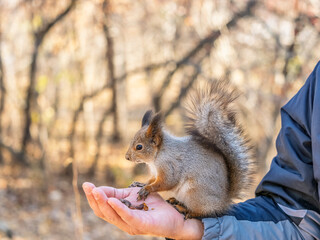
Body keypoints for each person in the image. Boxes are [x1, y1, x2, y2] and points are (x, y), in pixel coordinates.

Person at [83, 61, 320, 240]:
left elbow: (168, 179)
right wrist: (195, 231)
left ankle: (195, 210)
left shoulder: (166, 156)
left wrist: (149, 188)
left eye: (137, 149)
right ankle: (192, 212)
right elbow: (294, 213)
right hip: (216, 204)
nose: (130, 155)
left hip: (206, 195)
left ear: (155, 141)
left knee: (191, 184)